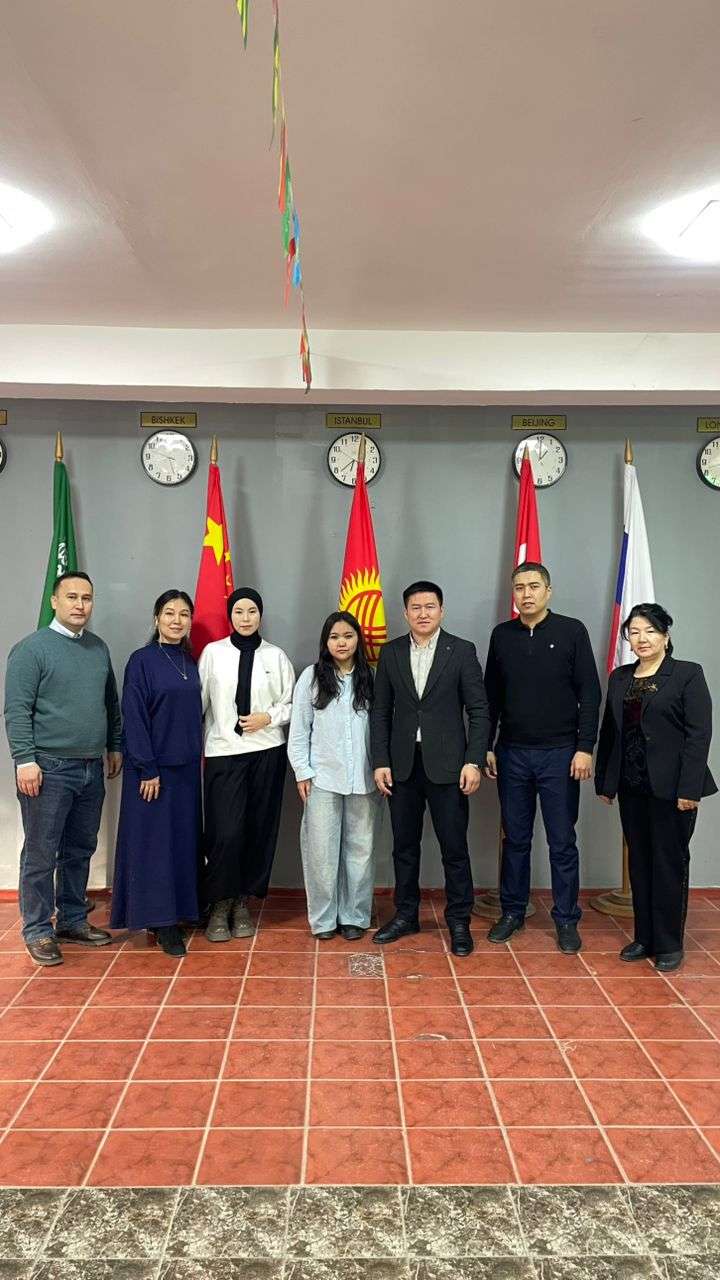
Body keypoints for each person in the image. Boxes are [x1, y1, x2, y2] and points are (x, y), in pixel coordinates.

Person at [3, 572, 122, 966]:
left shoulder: (98, 648)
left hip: (91, 766)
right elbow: (17, 710)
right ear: (54, 601)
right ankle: (38, 929)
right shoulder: (31, 650)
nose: (79, 604)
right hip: (48, 768)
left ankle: (72, 920)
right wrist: (25, 760)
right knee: (41, 852)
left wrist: (114, 744)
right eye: (71, 597)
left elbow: (110, 703)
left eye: (86, 598)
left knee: (80, 849)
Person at [484, 563, 601, 953]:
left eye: (534, 586)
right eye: (519, 587)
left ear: (548, 591)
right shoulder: (502, 636)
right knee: (515, 839)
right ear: (513, 594)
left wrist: (585, 747)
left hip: (561, 753)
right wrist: (486, 745)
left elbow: (590, 693)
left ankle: (566, 918)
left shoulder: (571, 631)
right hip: (512, 753)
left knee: (562, 841)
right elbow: (491, 697)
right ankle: (513, 912)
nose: (527, 593)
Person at [370, 580, 489, 957]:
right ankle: (406, 914)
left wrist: (473, 760)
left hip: (450, 767)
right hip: (402, 767)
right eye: (416, 608)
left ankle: (459, 920)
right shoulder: (390, 653)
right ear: (405, 613)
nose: (423, 614)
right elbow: (380, 712)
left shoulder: (461, 651)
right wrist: (381, 761)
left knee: (454, 847)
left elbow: (479, 711)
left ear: (441, 610)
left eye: (430, 607)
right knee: (404, 846)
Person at [595, 603, 716, 972]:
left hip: (673, 789)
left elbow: (699, 735)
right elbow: (610, 732)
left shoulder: (687, 674)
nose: (641, 638)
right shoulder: (620, 677)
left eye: (650, 631)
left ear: (665, 635)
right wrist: (605, 781)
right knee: (640, 863)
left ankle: (669, 943)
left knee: (668, 864)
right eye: (634, 632)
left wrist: (689, 790)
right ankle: (644, 937)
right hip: (632, 787)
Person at [198, 587, 295, 942]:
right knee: (225, 831)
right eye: (239, 611)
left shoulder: (276, 656)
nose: (246, 618)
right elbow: (199, 704)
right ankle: (219, 903)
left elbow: (291, 704)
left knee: (258, 828)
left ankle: (242, 902)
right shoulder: (213, 653)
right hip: (224, 752)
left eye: (252, 611)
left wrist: (268, 718)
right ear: (230, 616)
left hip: (267, 751)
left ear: (260, 615)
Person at [110, 590, 203, 956]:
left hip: (185, 772)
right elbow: (133, 715)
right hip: (152, 771)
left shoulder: (189, 661)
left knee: (181, 844)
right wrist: (147, 768)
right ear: (156, 619)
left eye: (183, 614)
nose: (176, 620)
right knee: (154, 848)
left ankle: (181, 910)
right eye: (169, 613)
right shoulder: (142, 661)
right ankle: (161, 922)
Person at [288, 610, 381, 940]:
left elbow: (382, 728)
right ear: (325, 642)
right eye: (334, 637)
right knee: (321, 853)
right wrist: (302, 771)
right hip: (322, 779)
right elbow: (299, 730)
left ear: (358, 640)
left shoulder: (371, 677)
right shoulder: (311, 678)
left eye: (348, 636)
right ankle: (324, 919)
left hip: (365, 779)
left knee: (361, 851)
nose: (342, 643)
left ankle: (355, 915)